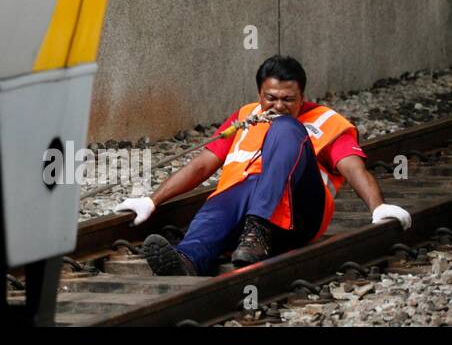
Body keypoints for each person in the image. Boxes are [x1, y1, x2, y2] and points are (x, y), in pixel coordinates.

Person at [116, 56, 411, 277]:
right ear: (259, 94)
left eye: (288, 99)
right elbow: (203, 164)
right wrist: (152, 200)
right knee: (226, 195)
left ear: (302, 97)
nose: (279, 106)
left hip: (299, 218)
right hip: (243, 221)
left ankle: (258, 231)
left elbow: (353, 168)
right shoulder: (245, 116)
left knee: (284, 128)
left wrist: (378, 207)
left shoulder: (326, 121)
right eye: (271, 98)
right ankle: (188, 260)